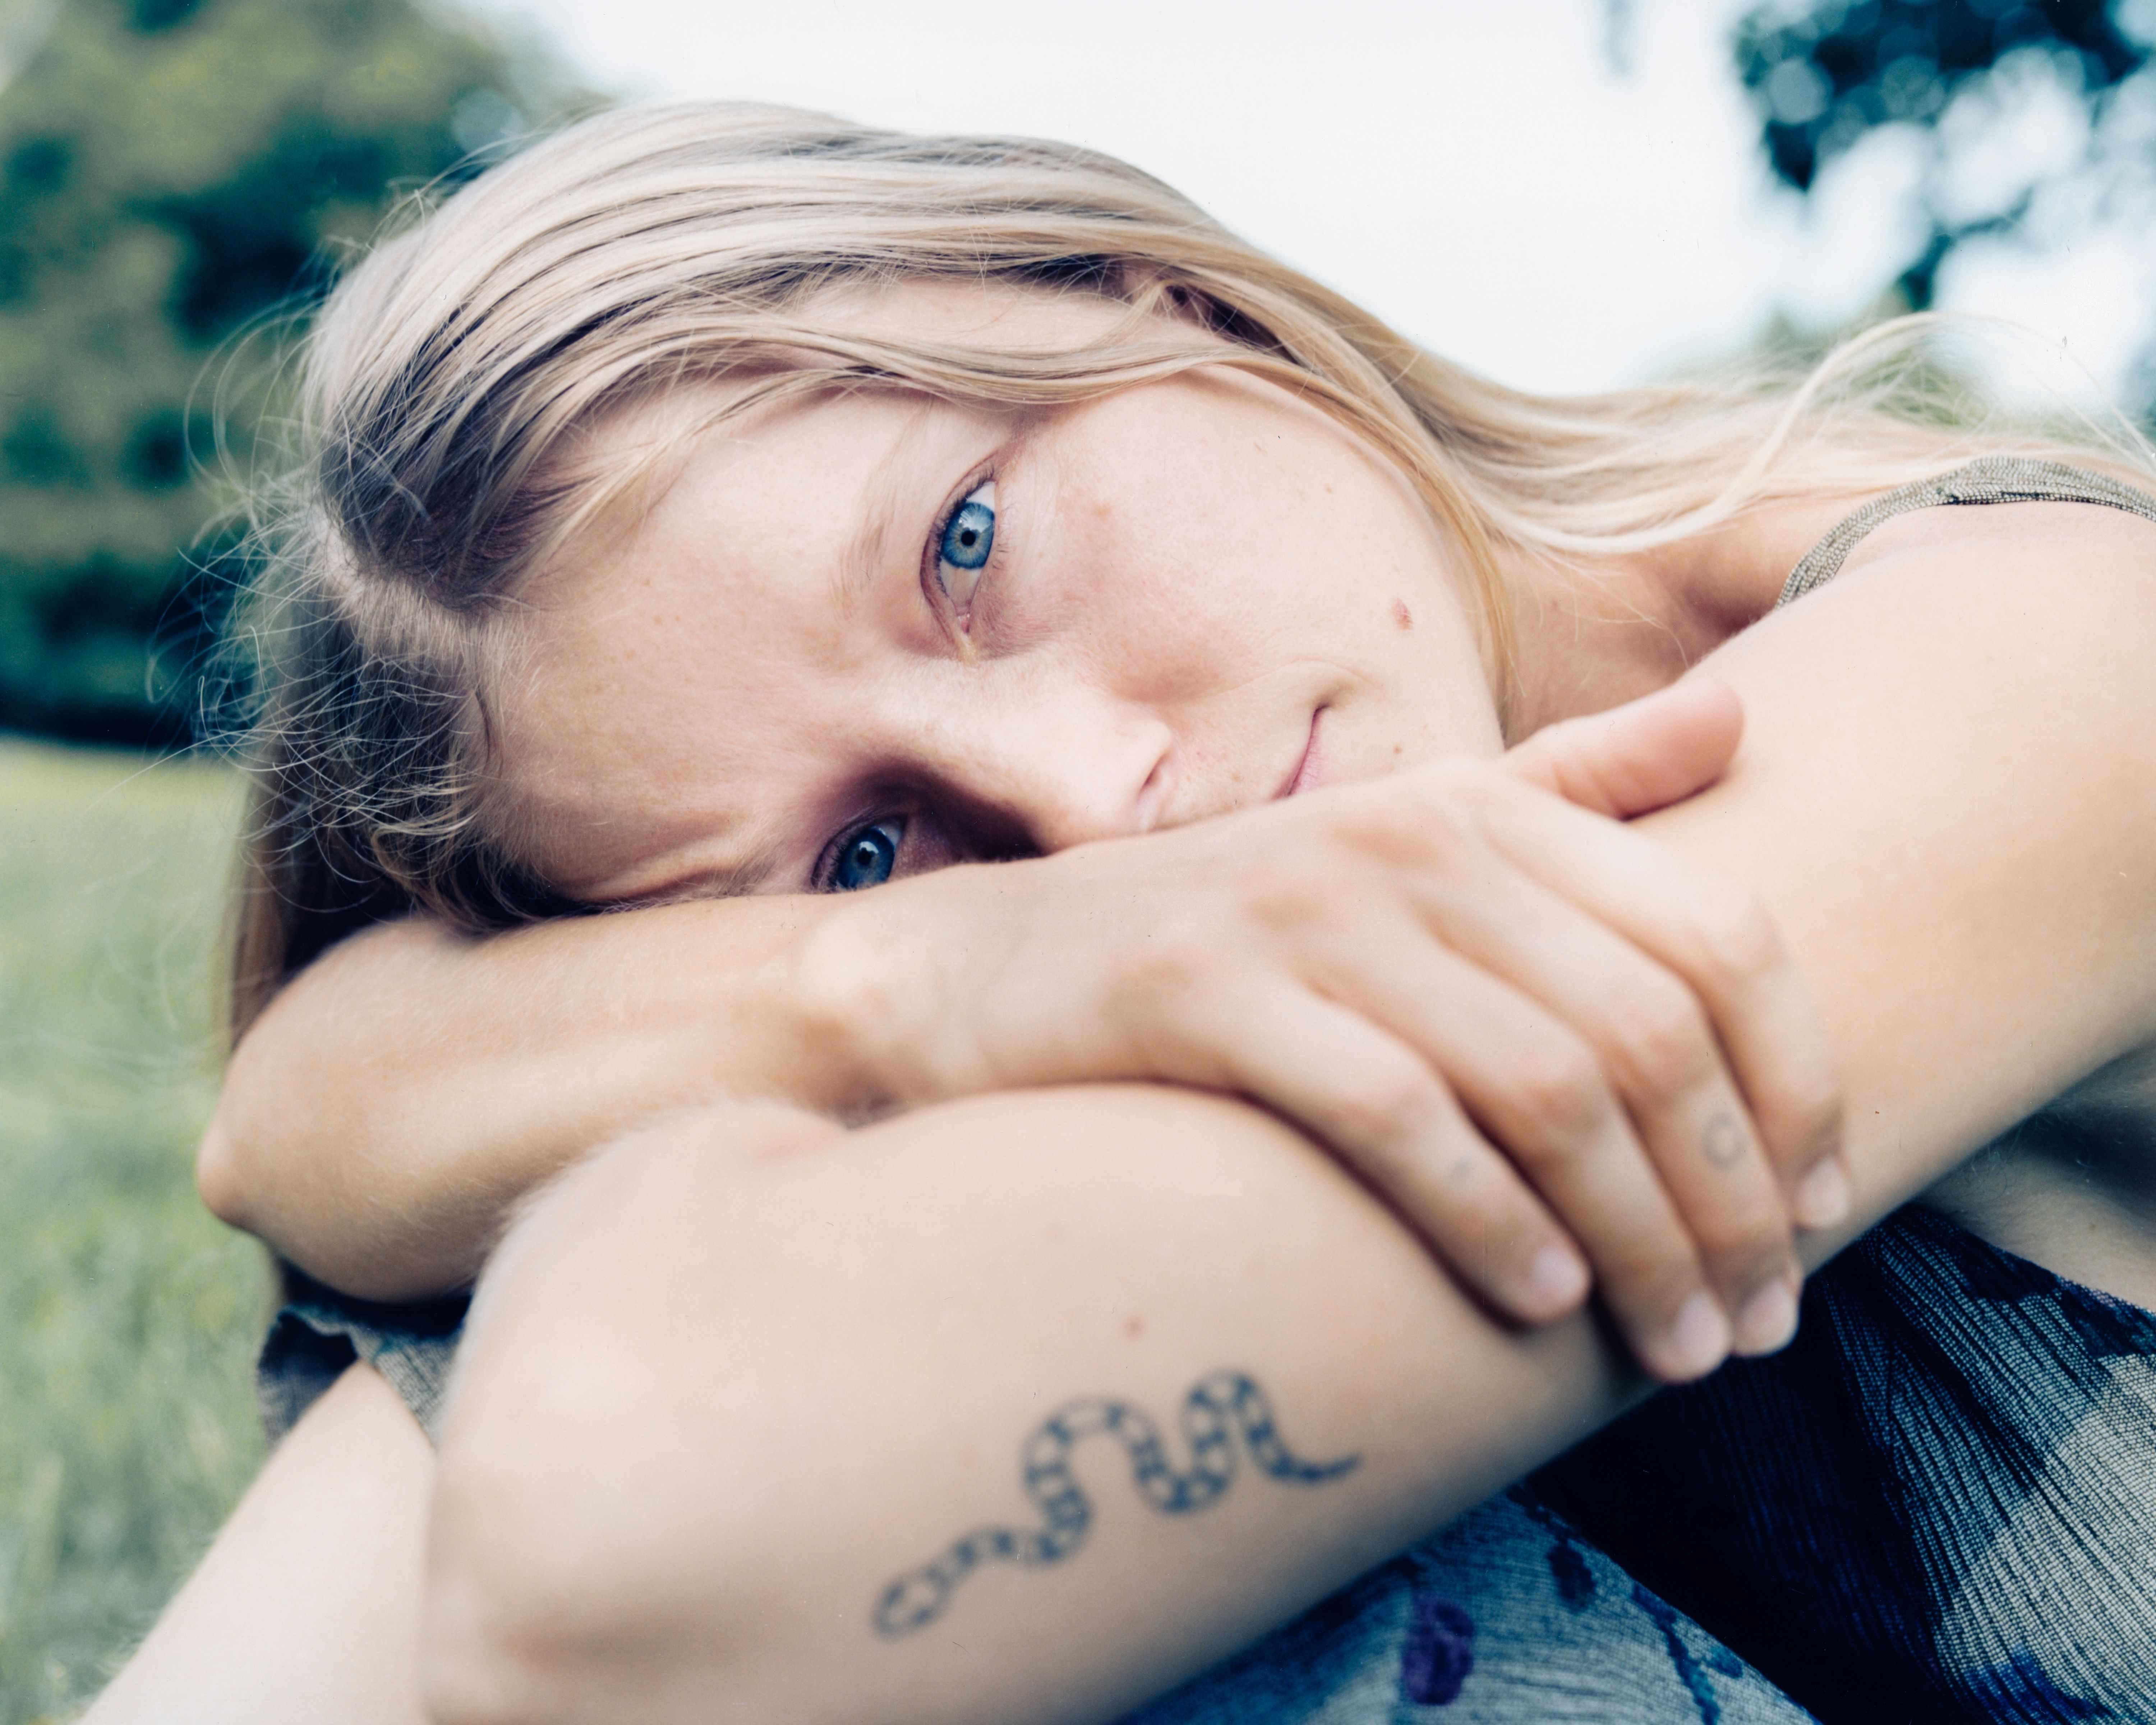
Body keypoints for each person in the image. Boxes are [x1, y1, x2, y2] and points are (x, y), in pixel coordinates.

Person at [88, 104, 2156, 1724]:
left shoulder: (2042, 660)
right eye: (869, 844)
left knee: (605, 1284)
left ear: (1144, 292)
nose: (1086, 816)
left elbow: (620, 1564)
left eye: (968, 546)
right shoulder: (1055, 927)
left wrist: (837, 987)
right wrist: (898, 982)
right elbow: (306, 1094)